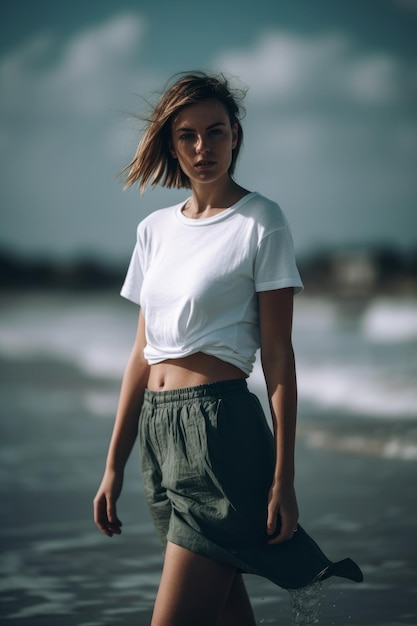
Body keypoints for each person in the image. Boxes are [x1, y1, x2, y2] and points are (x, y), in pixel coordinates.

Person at [93, 72, 362, 626]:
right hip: (159, 438)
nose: (202, 148)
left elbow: (279, 359)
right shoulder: (153, 231)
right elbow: (142, 355)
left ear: (236, 135)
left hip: (222, 434)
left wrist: (284, 478)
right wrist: (113, 466)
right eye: (187, 135)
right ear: (172, 144)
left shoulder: (262, 221)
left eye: (215, 132)